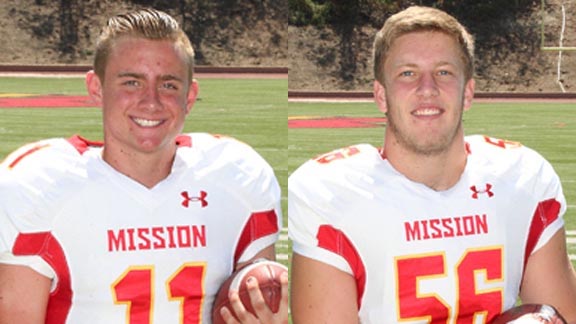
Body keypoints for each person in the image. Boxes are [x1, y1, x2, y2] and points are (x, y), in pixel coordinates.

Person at [288, 6, 576, 323]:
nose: (427, 89)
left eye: (444, 72)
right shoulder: (332, 193)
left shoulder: (522, 180)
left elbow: (561, 315)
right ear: (381, 95)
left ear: (468, 92)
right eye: (408, 73)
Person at [0, 8, 288, 324]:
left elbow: (258, 298)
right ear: (96, 88)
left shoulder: (236, 179)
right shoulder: (41, 187)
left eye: (168, 85)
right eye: (132, 82)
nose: (150, 101)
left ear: (189, 97)